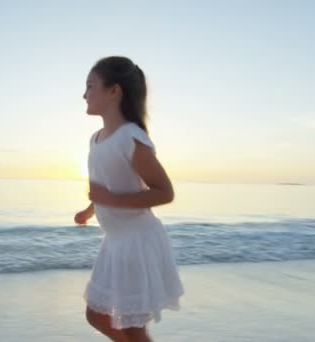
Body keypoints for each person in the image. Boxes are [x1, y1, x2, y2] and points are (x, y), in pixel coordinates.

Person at [74, 56, 184, 342]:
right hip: (115, 243)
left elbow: (164, 192)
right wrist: (90, 209)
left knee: (133, 329)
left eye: (90, 86)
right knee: (96, 315)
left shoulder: (131, 138)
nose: (84, 94)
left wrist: (108, 199)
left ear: (115, 91)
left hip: (137, 242)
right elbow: (104, 187)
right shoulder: (95, 139)